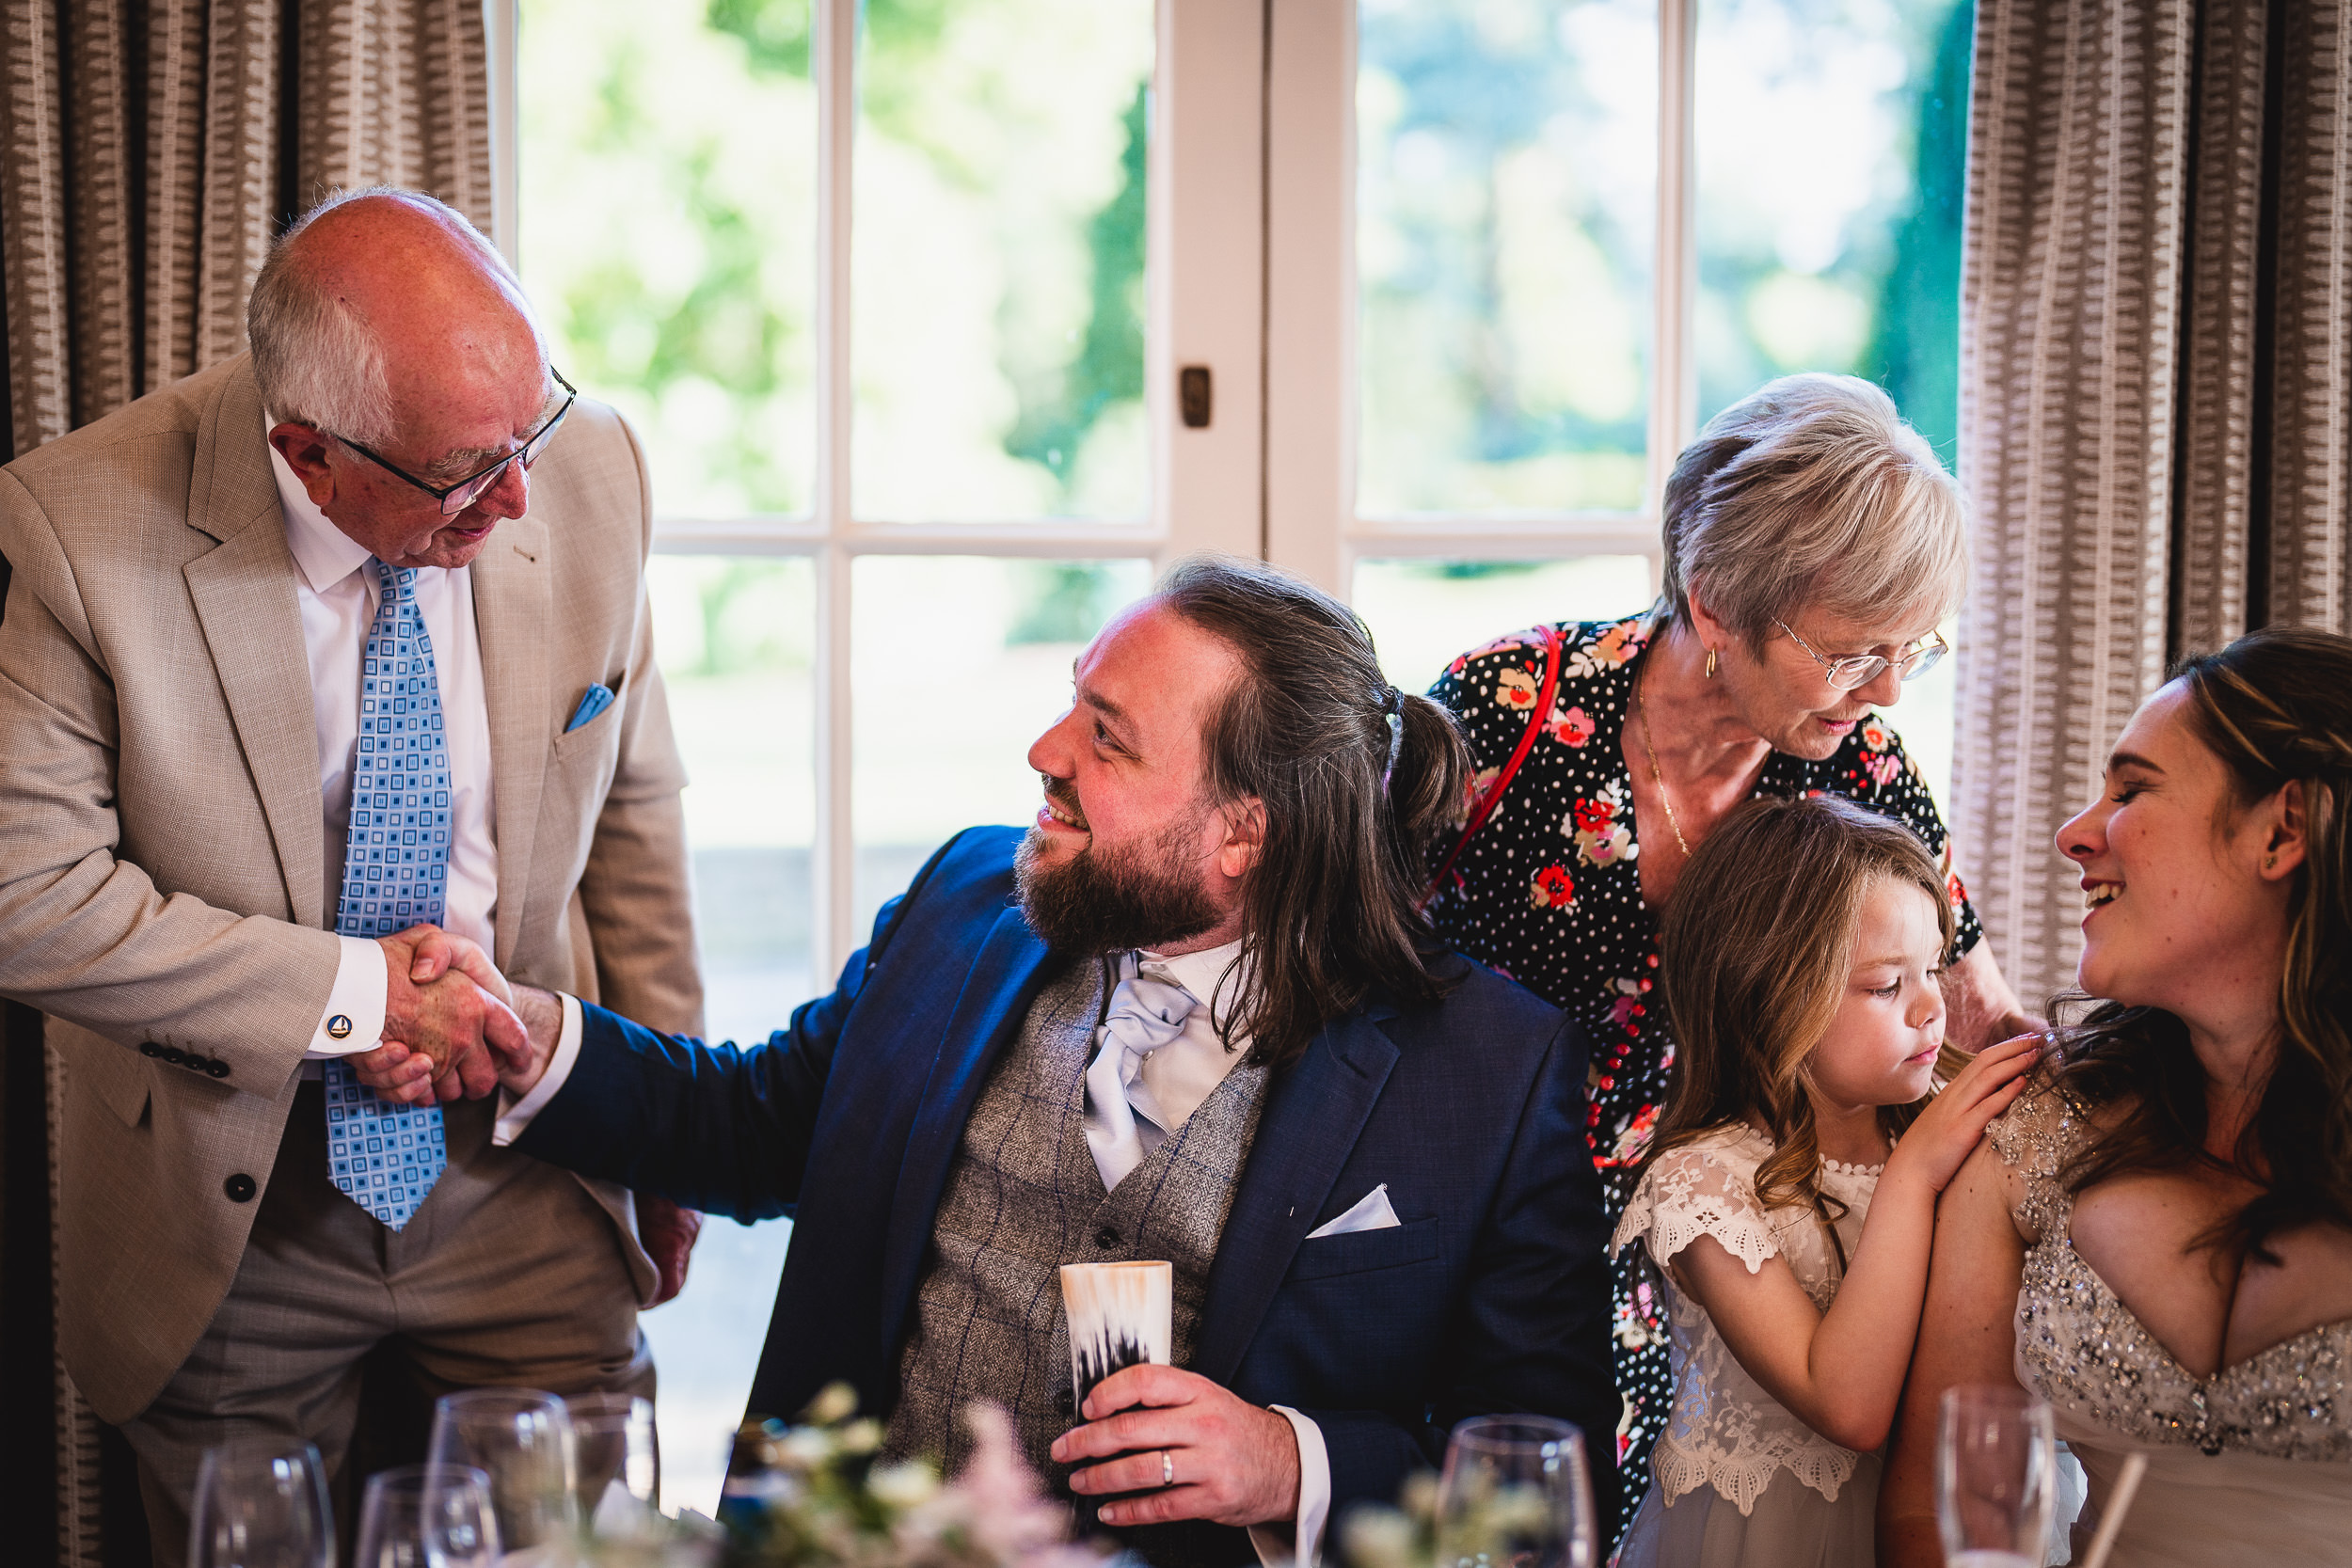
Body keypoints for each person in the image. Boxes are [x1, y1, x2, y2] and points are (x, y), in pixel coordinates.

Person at [391, 554, 1621, 1566]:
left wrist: (1289, 1461)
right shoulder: (964, 900)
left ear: (1247, 829)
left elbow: (1542, 1468)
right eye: (1070, 699)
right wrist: (534, 1038)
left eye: (1109, 736)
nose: (1044, 748)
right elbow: (764, 1122)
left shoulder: (1490, 1072)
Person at [0, 186, 704, 1560]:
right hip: (234, 1202)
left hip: (533, 1169)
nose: (515, 499)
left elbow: (635, 809)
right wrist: (362, 997)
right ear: (308, 454)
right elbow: (27, 890)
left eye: (530, 434)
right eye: (462, 471)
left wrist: (660, 1113)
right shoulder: (83, 525)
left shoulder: (595, 468)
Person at [1423, 372, 2036, 1518]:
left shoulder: (1863, 772)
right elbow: (1347, 964)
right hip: (1469, 1222)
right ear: (1713, 605)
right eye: (1855, 652)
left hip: (1711, 1250)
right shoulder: (1503, 709)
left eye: (1913, 649)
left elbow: (1980, 1011)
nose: (1891, 689)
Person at [1878, 626, 2352, 1566]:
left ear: (2281, 830)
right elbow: (1932, 1508)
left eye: (2131, 790)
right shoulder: (2037, 1121)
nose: (2074, 833)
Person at [1610, 796, 2036, 1567]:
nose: (1934, 1006)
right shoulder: (1701, 1186)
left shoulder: (1948, 1137)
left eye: (1934, 968)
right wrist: (1913, 1174)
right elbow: (1848, 1404)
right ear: (1769, 992)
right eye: (1885, 985)